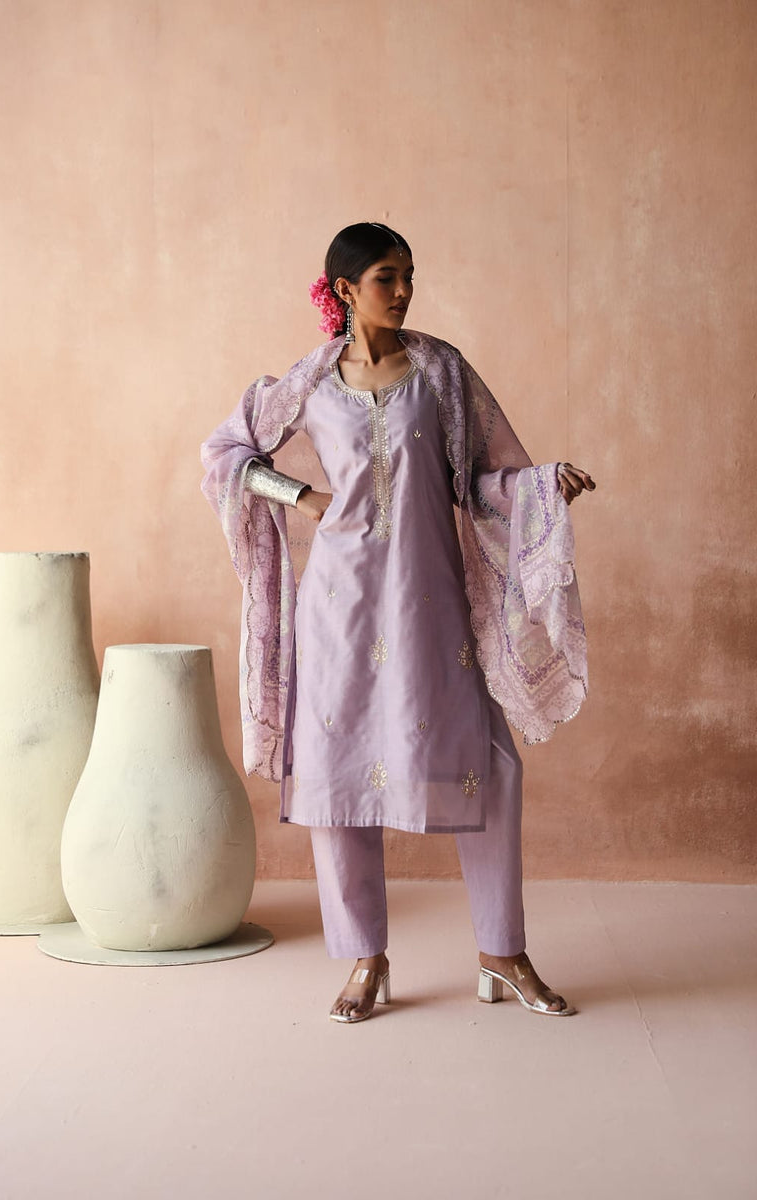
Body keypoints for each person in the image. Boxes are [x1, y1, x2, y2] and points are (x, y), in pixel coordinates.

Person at [201, 222, 595, 1023]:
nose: (406, 291)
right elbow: (227, 455)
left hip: (429, 600)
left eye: (410, 275)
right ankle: (365, 959)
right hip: (337, 607)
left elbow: (480, 481)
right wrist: (299, 496)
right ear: (345, 289)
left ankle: (502, 952)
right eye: (388, 277)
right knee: (336, 773)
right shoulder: (309, 384)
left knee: (492, 767)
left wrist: (541, 487)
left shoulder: (441, 372)